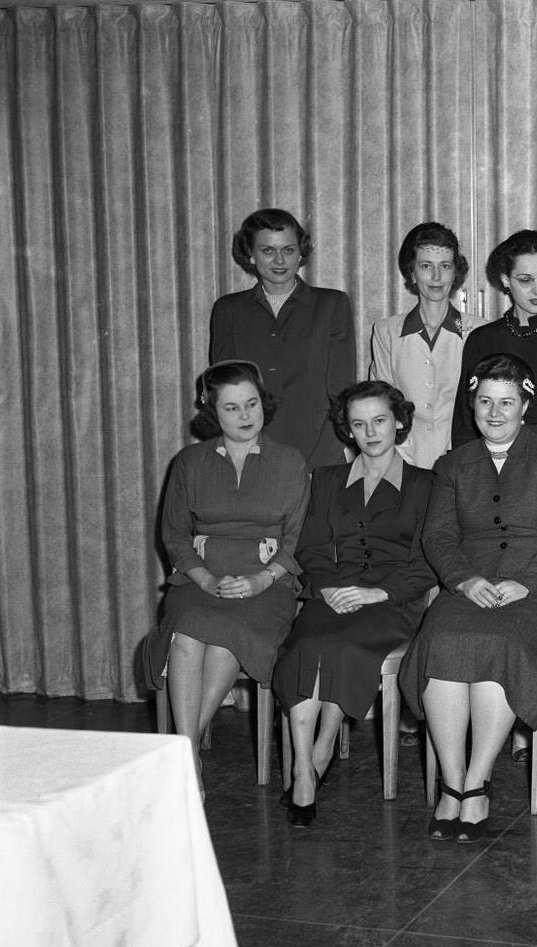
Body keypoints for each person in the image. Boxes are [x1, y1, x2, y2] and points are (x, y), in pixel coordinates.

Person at [399, 354, 537, 842]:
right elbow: (438, 536)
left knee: (501, 642)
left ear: (525, 405)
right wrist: (463, 580)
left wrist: (526, 581)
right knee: (442, 638)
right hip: (471, 585)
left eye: (507, 402)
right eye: (486, 401)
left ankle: (477, 783)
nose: (496, 412)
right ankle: (451, 781)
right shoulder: (454, 464)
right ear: (473, 404)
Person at [270, 381, 436, 827]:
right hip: (334, 592)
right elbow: (311, 548)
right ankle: (305, 767)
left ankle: (323, 748)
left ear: (399, 422)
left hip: (391, 601)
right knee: (306, 646)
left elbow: (429, 560)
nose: (371, 432)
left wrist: (379, 593)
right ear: (348, 431)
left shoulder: (426, 484)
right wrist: (326, 588)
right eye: (359, 424)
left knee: (343, 648)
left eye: (380, 420)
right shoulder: (326, 479)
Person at [145, 361, 309, 791]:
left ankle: (181, 752)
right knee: (187, 635)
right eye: (232, 408)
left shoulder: (290, 462)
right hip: (200, 580)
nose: (245, 416)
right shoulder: (189, 462)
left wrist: (261, 580)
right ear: (211, 412)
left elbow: (296, 539)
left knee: (224, 636)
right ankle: (188, 755)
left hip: (267, 584)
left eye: (251, 404)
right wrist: (202, 579)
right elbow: (175, 534)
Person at [210, 209, 356, 468]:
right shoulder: (228, 310)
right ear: (251, 255)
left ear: (300, 253)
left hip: (319, 451)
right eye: (267, 250)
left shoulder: (332, 305)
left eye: (288, 250)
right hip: (251, 451)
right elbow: (225, 391)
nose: (279, 260)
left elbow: (341, 390)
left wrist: (337, 451)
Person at [452, 229, 537, 447]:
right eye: (525, 280)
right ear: (505, 280)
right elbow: (464, 422)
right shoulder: (481, 339)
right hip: (490, 461)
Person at [370, 222, 484, 470]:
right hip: (403, 461)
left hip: (465, 462)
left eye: (445, 266)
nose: (436, 277)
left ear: (455, 273)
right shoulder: (386, 332)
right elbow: (382, 404)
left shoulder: (479, 331)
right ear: (412, 273)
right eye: (426, 266)